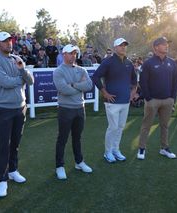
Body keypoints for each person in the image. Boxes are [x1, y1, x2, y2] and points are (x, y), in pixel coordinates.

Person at [0, 31, 34, 197]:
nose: (9, 43)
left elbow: (31, 81)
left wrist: (22, 71)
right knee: (4, 146)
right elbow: (5, 82)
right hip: (4, 108)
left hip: (20, 107)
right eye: (5, 41)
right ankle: (2, 179)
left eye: (10, 41)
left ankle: (13, 170)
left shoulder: (17, 59)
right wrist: (21, 78)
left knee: (15, 143)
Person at [92, 38, 137, 163]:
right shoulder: (108, 62)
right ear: (115, 48)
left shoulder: (129, 63)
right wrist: (104, 92)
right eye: (120, 45)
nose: (123, 47)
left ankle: (116, 150)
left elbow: (134, 81)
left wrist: (133, 93)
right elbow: (95, 77)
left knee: (121, 127)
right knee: (113, 127)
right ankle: (108, 152)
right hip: (112, 102)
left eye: (124, 45)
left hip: (125, 101)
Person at [53, 44, 93, 180]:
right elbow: (64, 89)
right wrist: (78, 86)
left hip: (80, 108)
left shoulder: (81, 69)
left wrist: (73, 84)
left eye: (75, 53)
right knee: (62, 139)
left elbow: (89, 85)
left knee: (77, 138)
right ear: (64, 54)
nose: (73, 56)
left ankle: (79, 162)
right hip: (65, 109)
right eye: (70, 53)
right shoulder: (58, 71)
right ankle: (59, 166)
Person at [137, 37, 177, 160]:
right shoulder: (148, 63)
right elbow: (143, 82)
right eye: (164, 44)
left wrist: (172, 98)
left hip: (168, 100)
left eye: (167, 44)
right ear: (156, 47)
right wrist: (148, 98)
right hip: (152, 101)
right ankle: (142, 148)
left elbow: (175, 82)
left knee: (165, 126)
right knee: (146, 126)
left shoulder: (172, 62)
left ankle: (164, 148)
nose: (167, 46)